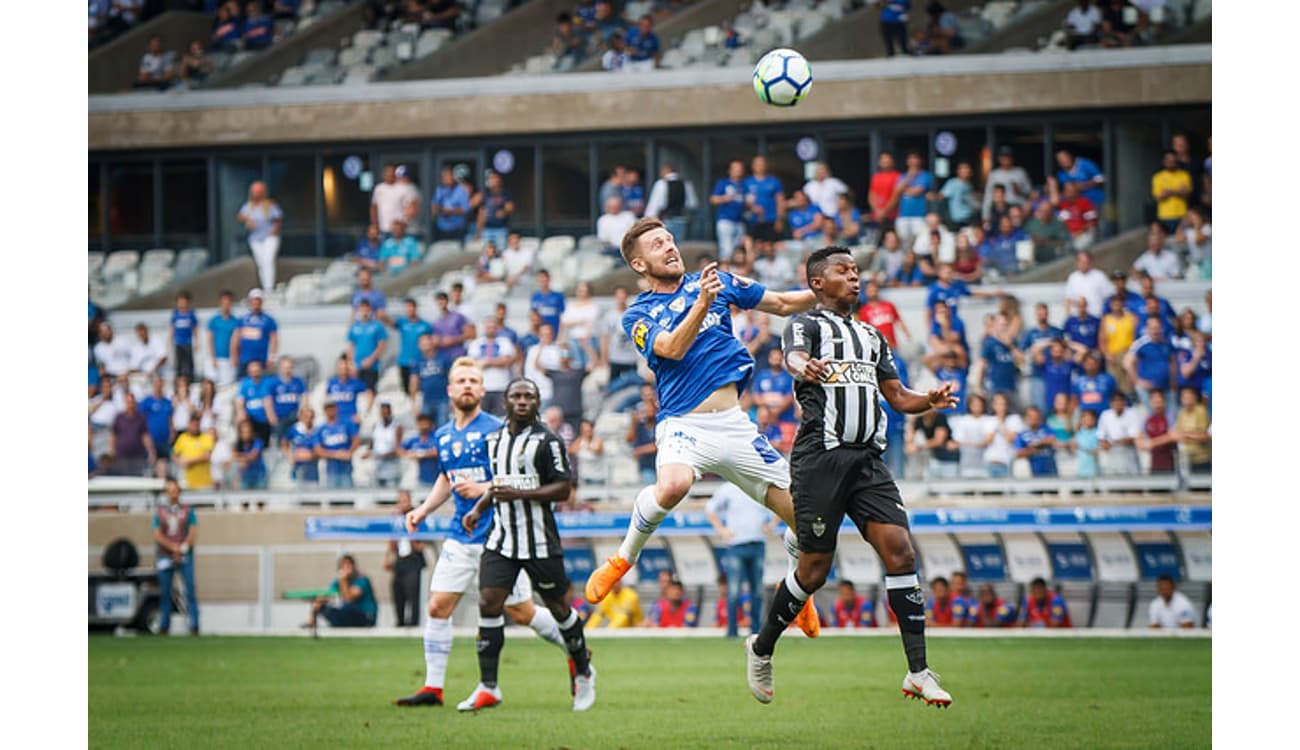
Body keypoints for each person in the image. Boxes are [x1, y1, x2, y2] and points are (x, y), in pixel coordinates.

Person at [585, 218, 821, 641]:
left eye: (670, 239)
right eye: (658, 244)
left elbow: (783, 304)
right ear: (639, 264)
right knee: (673, 485)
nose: (669, 247)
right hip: (684, 425)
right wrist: (701, 302)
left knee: (807, 522)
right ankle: (622, 559)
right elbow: (672, 348)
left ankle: (797, 591)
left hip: (735, 425)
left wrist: (826, 292)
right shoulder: (637, 314)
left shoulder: (717, 282)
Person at [745, 246, 957, 707]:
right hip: (820, 458)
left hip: (867, 461)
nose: (855, 277)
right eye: (844, 271)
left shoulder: (873, 336)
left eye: (857, 270)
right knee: (815, 571)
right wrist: (807, 366)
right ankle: (761, 646)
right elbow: (792, 359)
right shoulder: (805, 324)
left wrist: (930, 399)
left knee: (900, 552)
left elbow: (898, 396)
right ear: (818, 282)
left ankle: (918, 671)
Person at [395, 362, 573, 708]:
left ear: (482, 391)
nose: (467, 386)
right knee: (438, 606)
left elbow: (521, 477)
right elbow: (447, 478)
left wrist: (483, 487)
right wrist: (423, 509)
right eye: (460, 380)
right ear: (450, 390)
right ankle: (433, 688)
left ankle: (575, 646)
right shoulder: (444, 434)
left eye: (473, 381)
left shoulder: (499, 431)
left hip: (502, 536)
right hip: (460, 536)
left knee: (522, 612)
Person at [448, 378, 597, 711]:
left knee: (560, 609)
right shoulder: (495, 440)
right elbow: (500, 485)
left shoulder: (549, 441)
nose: (522, 401)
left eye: (529, 396)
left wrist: (522, 495)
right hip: (501, 540)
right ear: (505, 401)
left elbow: (563, 489)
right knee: (489, 602)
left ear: (537, 402)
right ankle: (489, 686)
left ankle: (584, 673)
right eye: (516, 395)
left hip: (540, 541)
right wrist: (478, 508)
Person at [707, 481, 774, 638]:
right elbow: (710, 508)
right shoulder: (728, 488)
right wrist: (721, 529)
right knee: (734, 591)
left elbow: (779, 505)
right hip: (736, 545)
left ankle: (756, 630)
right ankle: (732, 631)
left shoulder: (759, 485)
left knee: (757, 591)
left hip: (757, 543)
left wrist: (771, 525)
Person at [153, 477, 199, 635]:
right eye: (169, 491)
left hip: (185, 556)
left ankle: (194, 624)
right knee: (165, 593)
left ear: (179, 492)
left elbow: (193, 532)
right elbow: (157, 535)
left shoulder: (188, 510)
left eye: (175, 491)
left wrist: (182, 548)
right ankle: (164, 625)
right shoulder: (160, 512)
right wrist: (173, 548)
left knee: (190, 591)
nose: (173, 494)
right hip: (165, 556)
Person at [386, 490, 429, 627]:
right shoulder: (395, 519)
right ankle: (400, 622)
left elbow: (423, 542)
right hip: (400, 560)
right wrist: (388, 557)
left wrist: (410, 531)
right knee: (397, 590)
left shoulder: (418, 516)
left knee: (413, 593)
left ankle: (413, 624)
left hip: (413, 560)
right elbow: (391, 541)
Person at [305, 554, 378, 629]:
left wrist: (343, 580)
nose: (346, 568)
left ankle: (338, 623)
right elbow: (325, 595)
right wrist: (313, 615)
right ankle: (334, 624)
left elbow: (349, 599)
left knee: (346, 606)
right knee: (323, 606)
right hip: (349, 613)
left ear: (353, 566)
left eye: (348, 565)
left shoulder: (362, 579)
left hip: (366, 616)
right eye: (343, 565)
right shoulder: (338, 581)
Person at [237, 182, 282, 292]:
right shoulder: (248, 206)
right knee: (261, 263)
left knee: (268, 260)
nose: (256, 194)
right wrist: (248, 220)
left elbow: (278, 219)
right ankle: (265, 287)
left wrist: (274, 231)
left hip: (269, 237)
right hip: (255, 239)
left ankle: (269, 288)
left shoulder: (269, 205)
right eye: (255, 192)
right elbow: (240, 216)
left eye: (259, 191)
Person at [644, 163, 698, 242]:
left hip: (666, 219)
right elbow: (693, 204)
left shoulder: (661, 184)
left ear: (666, 170)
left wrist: (648, 220)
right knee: (677, 247)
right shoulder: (686, 184)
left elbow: (654, 205)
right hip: (681, 219)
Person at [231, 289, 278, 378]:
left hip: (261, 360)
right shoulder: (242, 319)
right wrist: (234, 356)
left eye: (258, 300)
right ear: (250, 301)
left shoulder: (268, 320)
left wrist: (272, 357)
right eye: (254, 300)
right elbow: (235, 338)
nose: (256, 303)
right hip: (244, 359)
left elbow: (274, 339)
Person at [314, 401, 360, 489]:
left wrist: (349, 452)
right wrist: (336, 454)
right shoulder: (321, 429)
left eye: (332, 408)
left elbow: (356, 439)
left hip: (346, 467)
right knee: (332, 496)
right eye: (328, 409)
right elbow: (318, 450)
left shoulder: (347, 424)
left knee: (347, 494)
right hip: (331, 469)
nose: (330, 411)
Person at [1097, 391, 1142, 475]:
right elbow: (1101, 435)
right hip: (1113, 455)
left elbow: (1134, 436)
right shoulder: (1105, 415)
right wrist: (1104, 443)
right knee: (1113, 483)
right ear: (1111, 403)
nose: (1117, 403)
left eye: (1120, 400)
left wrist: (1113, 442)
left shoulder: (1132, 414)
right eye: (1115, 401)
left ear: (1124, 402)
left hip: (1129, 454)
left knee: (1133, 483)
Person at [111, 393, 155, 477]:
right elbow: (113, 435)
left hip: (137, 457)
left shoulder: (140, 418)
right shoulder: (119, 418)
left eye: (132, 402)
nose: (130, 404)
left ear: (135, 403)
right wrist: (112, 451)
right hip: (122, 456)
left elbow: (145, 436)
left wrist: (151, 451)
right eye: (128, 402)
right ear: (125, 403)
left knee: (136, 478)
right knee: (123, 479)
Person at [1151, 151, 1193, 236]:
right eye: (1168, 160)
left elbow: (1187, 195)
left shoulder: (1184, 175)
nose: (1171, 162)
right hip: (1165, 216)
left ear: (1176, 160)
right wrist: (1178, 191)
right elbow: (1158, 198)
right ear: (1163, 161)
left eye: (1173, 160)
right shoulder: (1157, 177)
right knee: (1167, 243)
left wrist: (1169, 192)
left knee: (1183, 242)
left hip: (1182, 215)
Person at [235, 359, 273, 447]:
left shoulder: (268, 382)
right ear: (249, 371)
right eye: (253, 369)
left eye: (257, 369)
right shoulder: (245, 384)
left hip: (265, 419)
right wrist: (241, 413)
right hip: (251, 418)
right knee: (244, 425)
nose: (255, 371)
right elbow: (240, 401)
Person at [172, 414, 216, 490]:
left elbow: (207, 456)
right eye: (193, 425)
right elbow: (174, 455)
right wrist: (180, 461)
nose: (196, 428)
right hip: (187, 483)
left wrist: (188, 461)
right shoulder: (183, 438)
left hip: (204, 483)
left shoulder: (206, 438)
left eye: (197, 425)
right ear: (189, 424)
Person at [1174, 386, 1211, 474]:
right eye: (1184, 397)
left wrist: (1185, 434)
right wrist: (1188, 434)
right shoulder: (1181, 413)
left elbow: (1203, 435)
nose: (1186, 400)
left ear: (1194, 398)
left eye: (1189, 397)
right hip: (1186, 459)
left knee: (1201, 485)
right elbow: (1177, 434)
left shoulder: (1201, 411)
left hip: (1202, 458)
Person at [430, 166, 472, 242]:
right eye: (445, 176)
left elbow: (466, 209)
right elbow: (433, 207)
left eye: (450, 175)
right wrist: (439, 209)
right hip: (441, 230)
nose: (448, 178)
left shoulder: (460, 190)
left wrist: (451, 211)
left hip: (457, 230)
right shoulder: (439, 190)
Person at [282, 405, 320, 487]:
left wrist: (311, 455)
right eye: (306, 416)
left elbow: (319, 448)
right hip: (298, 467)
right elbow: (284, 442)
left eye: (311, 417)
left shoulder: (317, 430)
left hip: (312, 468)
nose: (308, 419)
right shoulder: (294, 429)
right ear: (301, 417)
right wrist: (290, 455)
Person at [401, 412, 442, 486]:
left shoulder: (436, 437)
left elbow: (437, 451)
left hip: (434, 477)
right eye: (421, 423)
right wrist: (409, 454)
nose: (423, 426)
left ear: (430, 424)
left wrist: (421, 454)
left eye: (425, 423)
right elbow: (400, 449)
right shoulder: (414, 439)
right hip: (418, 478)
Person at [170, 291, 198, 382]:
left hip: (188, 343)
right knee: (179, 364)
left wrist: (196, 341)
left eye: (184, 301)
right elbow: (172, 329)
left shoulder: (191, 314)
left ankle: (191, 380)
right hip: (178, 343)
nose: (182, 304)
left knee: (189, 364)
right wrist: (170, 341)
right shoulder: (175, 314)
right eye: (180, 301)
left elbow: (195, 329)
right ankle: (178, 382)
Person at [234, 419, 267, 490]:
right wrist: (243, 459)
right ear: (240, 433)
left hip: (259, 477)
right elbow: (233, 456)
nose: (246, 434)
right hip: (245, 478)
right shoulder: (238, 444)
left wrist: (241, 458)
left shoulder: (258, 442)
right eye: (244, 432)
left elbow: (253, 456)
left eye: (248, 432)